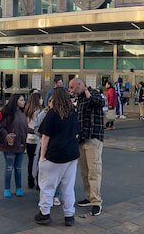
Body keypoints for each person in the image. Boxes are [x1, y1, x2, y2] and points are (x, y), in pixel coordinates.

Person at [36, 88, 80, 226]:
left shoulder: (52, 114)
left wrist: (42, 157)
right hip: (72, 155)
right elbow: (77, 133)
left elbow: (45, 137)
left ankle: (44, 213)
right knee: (68, 187)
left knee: (48, 186)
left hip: (54, 156)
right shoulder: (73, 113)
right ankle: (69, 215)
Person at [70, 78, 106, 216]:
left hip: (93, 137)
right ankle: (88, 196)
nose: (71, 90)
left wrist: (89, 96)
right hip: (81, 138)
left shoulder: (93, 93)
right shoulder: (79, 99)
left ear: (80, 85)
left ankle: (96, 201)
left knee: (94, 171)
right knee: (85, 171)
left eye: (72, 87)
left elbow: (101, 103)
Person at [0, 93, 28, 198]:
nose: (24, 102)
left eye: (23, 100)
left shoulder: (23, 114)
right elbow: (1, 128)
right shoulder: (8, 114)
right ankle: (7, 188)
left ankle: (19, 188)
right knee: (9, 167)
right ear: (16, 101)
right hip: (9, 146)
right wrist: (6, 136)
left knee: (18, 168)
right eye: (22, 100)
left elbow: (25, 129)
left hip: (21, 145)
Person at [24, 92, 47, 191]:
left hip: (28, 138)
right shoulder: (40, 111)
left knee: (30, 161)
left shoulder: (27, 110)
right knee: (38, 161)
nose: (42, 100)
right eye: (41, 98)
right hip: (37, 138)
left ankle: (30, 180)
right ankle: (38, 182)